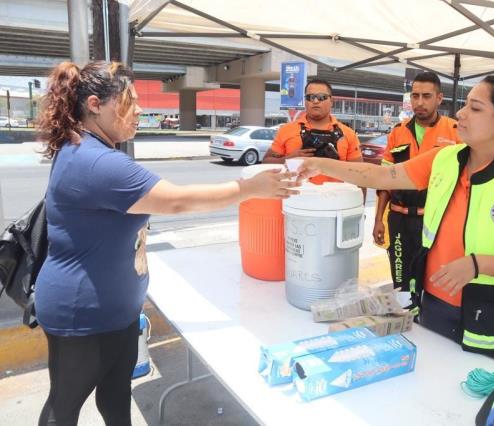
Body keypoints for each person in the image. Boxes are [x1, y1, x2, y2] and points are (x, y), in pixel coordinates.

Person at [34, 61, 297, 426]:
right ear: (95, 104)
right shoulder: (95, 161)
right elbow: (177, 200)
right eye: (129, 100)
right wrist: (250, 189)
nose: (140, 109)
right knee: (64, 405)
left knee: (115, 397)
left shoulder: (87, 149)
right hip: (83, 314)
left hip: (115, 311)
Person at [296, 75, 494, 367]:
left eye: (475, 107)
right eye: (465, 105)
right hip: (434, 309)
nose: (461, 113)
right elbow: (381, 175)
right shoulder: (444, 159)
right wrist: (321, 164)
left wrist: (478, 265)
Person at [373, 72, 460, 303]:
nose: (419, 102)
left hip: (434, 222)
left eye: (426, 96)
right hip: (399, 220)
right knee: (401, 280)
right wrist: (378, 219)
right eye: (415, 96)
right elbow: (384, 181)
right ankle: (405, 317)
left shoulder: (455, 131)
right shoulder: (397, 132)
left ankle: (425, 318)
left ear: (439, 98)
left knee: (431, 279)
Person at [263, 78, 364, 185]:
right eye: (310, 97)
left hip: (335, 198)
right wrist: (288, 159)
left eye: (322, 97)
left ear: (331, 101)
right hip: (294, 197)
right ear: (305, 101)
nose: (315, 101)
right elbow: (266, 162)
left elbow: (361, 174)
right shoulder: (286, 130)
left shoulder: (348, 134)